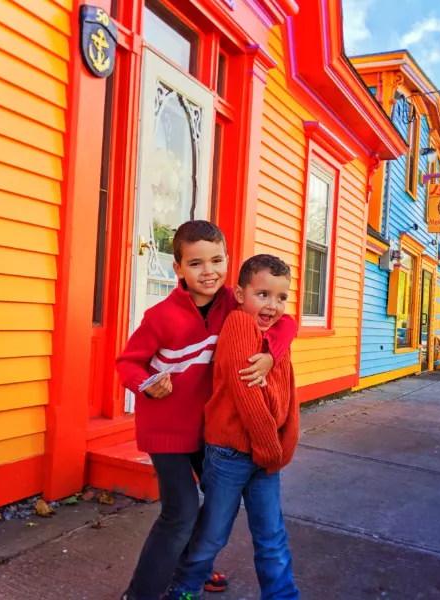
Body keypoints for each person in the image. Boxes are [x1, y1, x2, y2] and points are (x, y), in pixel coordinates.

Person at [116, 222, 297, 600]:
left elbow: (287, 322)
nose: (208, 271)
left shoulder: (236, 303)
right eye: (195, 263)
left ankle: (194, 567)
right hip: (166, 430)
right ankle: (141, 592)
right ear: (177, 269)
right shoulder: (160, 317)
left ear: (228, 262)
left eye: (216, 260)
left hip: (209, 430)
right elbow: (127, 363)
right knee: (180, 512)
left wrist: (270, 354)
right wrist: (147, 383)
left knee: (214, 506)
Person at [166, 254, 300, 600]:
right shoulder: (240, 326)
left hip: (265, 456)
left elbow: (289, 394)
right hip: (231, 454)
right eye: (263, 294)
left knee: (272, 533)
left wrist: (287, 441)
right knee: (213, 532)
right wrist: (273, 449)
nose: (273, 305)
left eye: (281, 297)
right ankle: (183, 589)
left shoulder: (274, 338)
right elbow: (247, 396)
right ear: (240, 295)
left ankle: (282, 595)